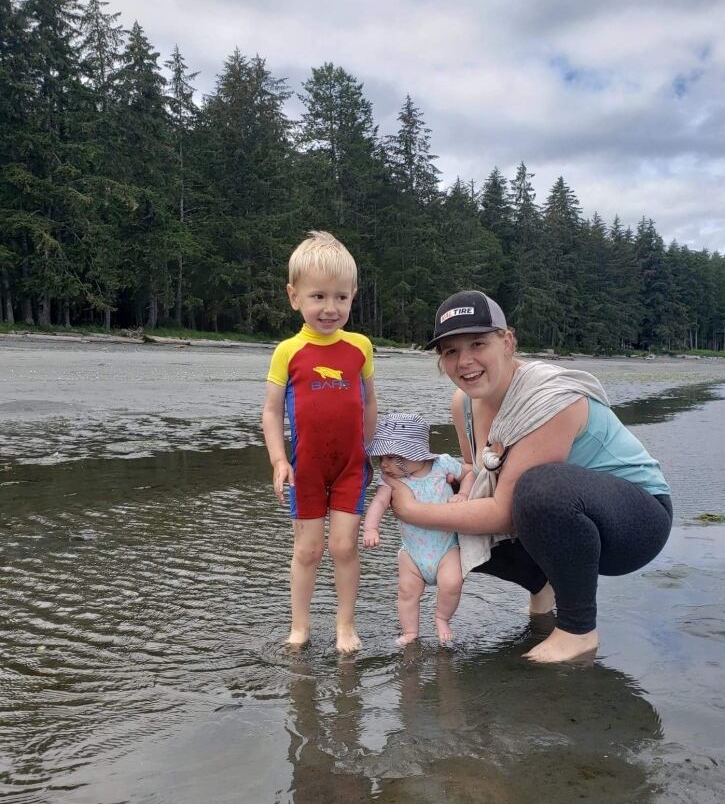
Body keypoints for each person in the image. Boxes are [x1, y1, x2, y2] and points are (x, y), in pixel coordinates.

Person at [384, 290, 673, 663]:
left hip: (636, 525)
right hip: (570, 526)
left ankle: (578, 629)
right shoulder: (464, 404)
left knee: (539, 490)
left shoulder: (551, 399)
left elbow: (506, 511)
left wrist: (412, 511)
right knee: (451, 502)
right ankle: (543, 584)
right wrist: (438, 489)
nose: (465, 361)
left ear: (507, 341)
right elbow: (475, 469)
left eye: (477, 343)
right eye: (450, 351)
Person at [262, 231, 377, 653]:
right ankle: (300, 626)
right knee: (308, 550)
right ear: (294, 297)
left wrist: (372, 452)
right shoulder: (287, 351)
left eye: (341, 298)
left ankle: (346, 627)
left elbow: (368, 405)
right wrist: (279, 461)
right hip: (306, 466)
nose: (331, 308)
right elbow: (272, 412)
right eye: (318, 297)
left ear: (353, 297)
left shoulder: (360, 348)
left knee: (344, 545)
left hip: (350, 466)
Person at [362, 413, 475, 645]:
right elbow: (380, 503)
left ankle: (442, 618)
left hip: (446, 547)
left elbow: (470, 473)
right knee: (406, 592)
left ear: (413, 454)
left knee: (452, 583)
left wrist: (463, 493)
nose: (384, 464)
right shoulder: (391, 479)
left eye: (392, 457)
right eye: (382, 457)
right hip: (412, 552)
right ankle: (410, 631)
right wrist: (371, 528)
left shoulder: (442, 465)